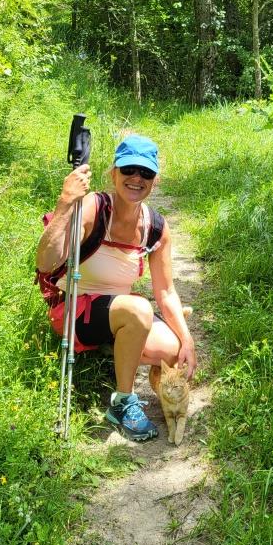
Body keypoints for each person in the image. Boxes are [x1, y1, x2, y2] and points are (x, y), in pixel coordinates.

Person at [35, 134, 197, 441]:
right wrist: (66, 203)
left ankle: (117, 345)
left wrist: (187, 340)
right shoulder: (93, 209)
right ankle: (123, 403)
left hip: (116, 312)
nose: (137, 178)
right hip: (75, 310)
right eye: (129, 170)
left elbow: (165, 292)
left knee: (172, 349)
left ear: (155, 180)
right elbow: (46, 262)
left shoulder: (156, 228)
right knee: (138, 308)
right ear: (114, 173)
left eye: (146, 173)